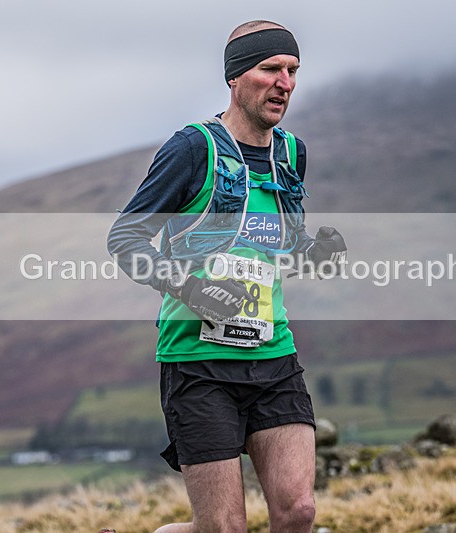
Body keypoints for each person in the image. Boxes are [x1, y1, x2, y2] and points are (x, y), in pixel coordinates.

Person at [107, 20, 346, 533]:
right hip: (198, 363)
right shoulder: (193, 149)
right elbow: (124, 241)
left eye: (293, 70)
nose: (286, 83)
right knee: (222, 529)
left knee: (299, 512)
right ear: (236, 77)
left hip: (273, 355)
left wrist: (312, 250)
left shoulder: (291, 154)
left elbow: (273, 246)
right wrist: (191, 287)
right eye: (271, 69)